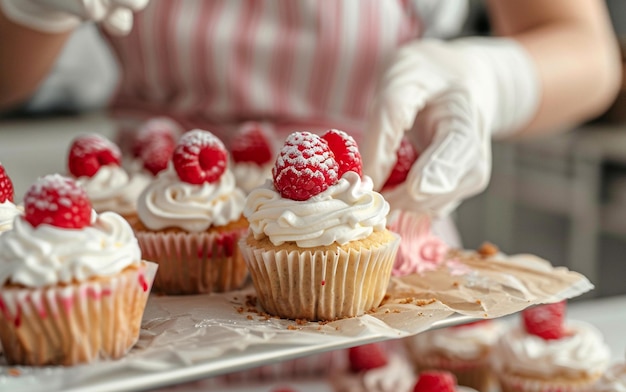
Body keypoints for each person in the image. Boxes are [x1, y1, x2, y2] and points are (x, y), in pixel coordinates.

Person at [0, 0, 621, 247]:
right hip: (150, 238)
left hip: (373, 238)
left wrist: (489, 80)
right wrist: (34, 7)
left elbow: (591, 58)